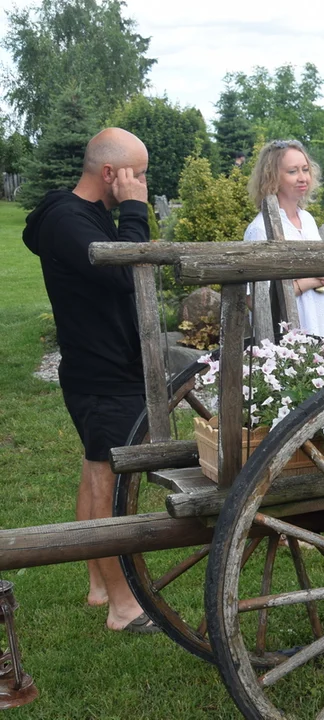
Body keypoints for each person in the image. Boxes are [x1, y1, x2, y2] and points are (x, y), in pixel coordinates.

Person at [23, 127, 160, 633]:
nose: (142, 183)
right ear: (110, 174)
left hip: (103, 369)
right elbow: (127, 269)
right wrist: (135, 212)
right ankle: (123, 607)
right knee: (109, 483)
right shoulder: (67, 220)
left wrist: (125, 213)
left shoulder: (83, 217)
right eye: (138, 174)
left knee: (94, 470)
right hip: (102, 375)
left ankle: (99, 584)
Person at [244, 139, 324, 339]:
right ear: (272, 177)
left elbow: (322, 270)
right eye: (292, 171)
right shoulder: (260, 228)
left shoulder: (308, 220)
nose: (303, 177)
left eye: (305, 169)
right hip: (286, 339)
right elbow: (254, 300)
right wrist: (311, 281)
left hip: (321, 323)